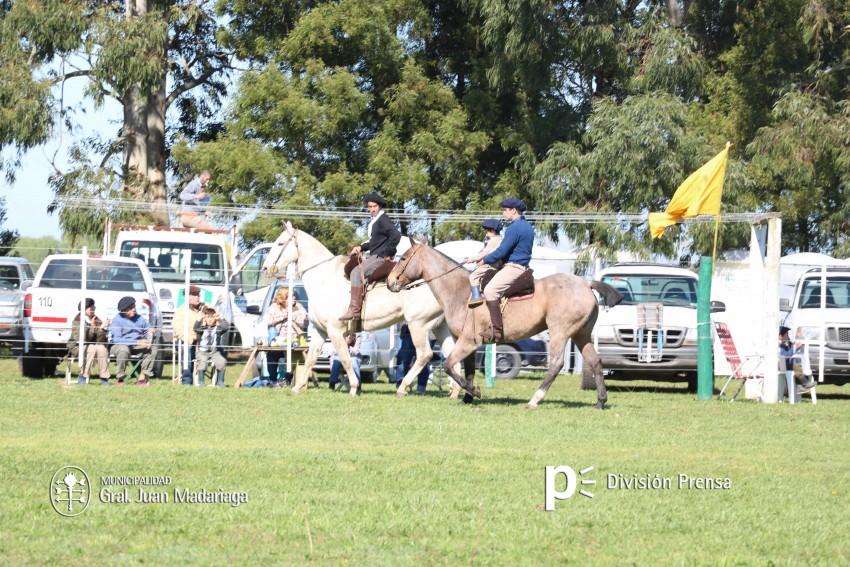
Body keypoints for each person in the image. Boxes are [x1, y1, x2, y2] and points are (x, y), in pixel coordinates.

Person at [473, 197, 534, 343]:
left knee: (490, 291)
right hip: (522, 266)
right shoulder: (528, 227)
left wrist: (484, 260)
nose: (503, 212)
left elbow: (502, 251)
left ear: (513, 210)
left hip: (513, 267)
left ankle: (496, 331)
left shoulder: (514, 227)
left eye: (506, 210)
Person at [339, 192, 401, 321]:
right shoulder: (376, 220)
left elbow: (396, 235)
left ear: (380, 206)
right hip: (374, 255)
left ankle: (355, 311)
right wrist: (360, 247)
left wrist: (388, 254)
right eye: (370, 206)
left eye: (374, 206)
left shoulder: (383, 219)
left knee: (356, 273)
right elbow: (374, 242)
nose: (372, 209)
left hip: (379, 258)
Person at [263, 287, 308, 385]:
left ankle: (288, 379)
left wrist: (292, 315)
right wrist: (284, 316)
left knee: (292, 354)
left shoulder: (299, 307)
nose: (294, 297)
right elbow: (268, 321)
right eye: (291, 296)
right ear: (284, 297)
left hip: (294, 340)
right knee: (271, 354)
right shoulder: (274, 307)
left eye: (294, 295)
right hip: (277, 339)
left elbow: (304, 322)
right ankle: (273, 379)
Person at [110, 296, 157, 386]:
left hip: (137, 345)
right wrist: (137, 342)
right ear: (124, 310)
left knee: (153, 349)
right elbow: (117, 339)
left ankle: (142, 378)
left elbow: (146, 329)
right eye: (131, 308)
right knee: (123, 350)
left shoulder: (139, 318)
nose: (134, 310)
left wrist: (150, 330)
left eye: (134, 307)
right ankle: (120, 378)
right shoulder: (117, 320)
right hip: (120, 345)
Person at [68, 298, 111, 385]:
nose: (93, 308)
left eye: (93, 306)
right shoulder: (77, 320)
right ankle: (83, 376)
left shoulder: (96, 319)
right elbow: (80, 339)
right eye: (90, 307)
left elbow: (101, 340)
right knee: (91, 348)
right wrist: (91, 328)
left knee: (102, 349)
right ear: (83, 308)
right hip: (76, 346)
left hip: (94, 346)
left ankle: (104, 378)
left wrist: (102, 329)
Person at [172, 285, 208, 386]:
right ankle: (187, 380)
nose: (197, 297)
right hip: (188, 341)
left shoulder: (206, 307)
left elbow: (218, 316)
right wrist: (190, 340)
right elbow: (178, 329)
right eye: (193, 295)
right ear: (186, 297)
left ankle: (218, 381)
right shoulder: (181, 311)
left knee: (218, 347)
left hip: (205, 341)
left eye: (198, 295)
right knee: (186, 348)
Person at [465, 219, 504, 307]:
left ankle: (476, 296)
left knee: (472, 276)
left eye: (487, 231)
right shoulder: (500, 239)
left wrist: (470, 259)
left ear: (493, 231)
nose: (486, 233)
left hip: (491, 265)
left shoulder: (493, 241)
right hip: (496, 264)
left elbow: (484, 253)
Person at [193, 307, 230, 387]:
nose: (210, 319)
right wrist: (199, 320)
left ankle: (220, 382)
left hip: (214, 352)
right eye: (208, 317)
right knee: (202, 362)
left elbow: (226, 327)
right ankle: (201, 382)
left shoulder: (218, 329)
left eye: (212, 317)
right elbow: (196, 329)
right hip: (203, 352)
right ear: (205, 318)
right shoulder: (202, 329)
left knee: (222, 361)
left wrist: (220, 319)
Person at [393, 324, 431, 394]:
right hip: (406, 331)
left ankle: (421, 389)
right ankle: (400, 386)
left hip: (426, 332)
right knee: (403, 359)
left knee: (424, 361)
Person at [781, 325, 817, 391]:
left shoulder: (785, 344)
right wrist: (794, 347)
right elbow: (787, 355)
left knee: (796, 361)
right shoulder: (779, 345)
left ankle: (800, 385)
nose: (788, 336)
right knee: (794, 364)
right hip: (781, 366)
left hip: (784, 364)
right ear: (781, 336)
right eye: (787, 334)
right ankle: (804, 384)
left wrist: (796, 346)